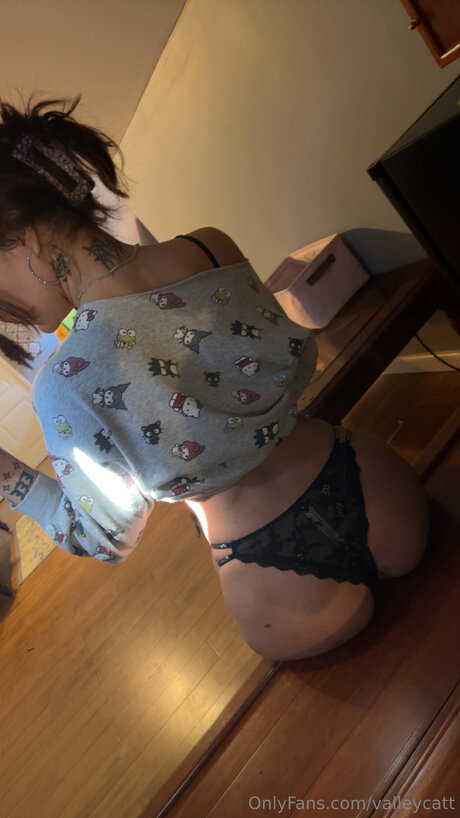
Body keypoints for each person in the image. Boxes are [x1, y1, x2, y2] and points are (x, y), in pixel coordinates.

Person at [0, 94, 430, 661]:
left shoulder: (66, 382)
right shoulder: (208, 245)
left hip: (272, 570)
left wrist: (9, 477)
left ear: (25, 237)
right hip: (372, 477)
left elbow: (104, 537)